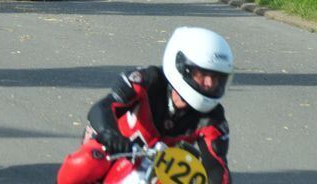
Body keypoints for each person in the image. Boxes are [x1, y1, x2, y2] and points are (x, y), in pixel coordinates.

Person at [57, 26, 234, 184]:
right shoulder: (147, 80)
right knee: (85, 162)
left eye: (217, 77)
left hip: (160, 169)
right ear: (181, 66)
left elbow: (217, 168)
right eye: (202, 74)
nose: (210, 84)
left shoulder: (213, 119)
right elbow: (102, 107)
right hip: (115, 150)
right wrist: (110, 134)